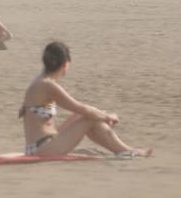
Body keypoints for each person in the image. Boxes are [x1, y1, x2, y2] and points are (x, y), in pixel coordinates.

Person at [19, 41, 151, 158]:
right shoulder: (48, 85)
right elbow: (81, 108)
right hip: (43, 149)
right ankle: (125, 151)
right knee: (90, 118)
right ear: (65, 64)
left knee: (84, 116)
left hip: (41, 144)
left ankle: (122, 150)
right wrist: (107, 117)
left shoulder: (38, 81)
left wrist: (101, 115)